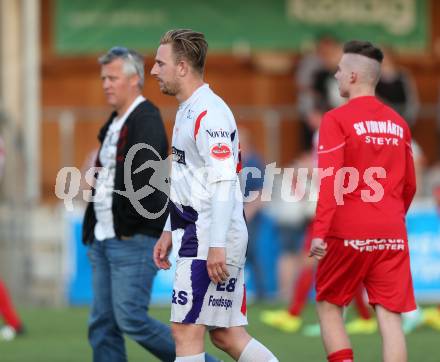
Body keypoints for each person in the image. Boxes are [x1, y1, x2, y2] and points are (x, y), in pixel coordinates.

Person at [82, 46, 218, 362]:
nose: (106, 84)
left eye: (112, 77)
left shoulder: (145, 118)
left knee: (130, 319)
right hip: (104, 238)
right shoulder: (116, 121)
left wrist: (130, 228)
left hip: (131, 238)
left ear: (133, 80)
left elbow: (146, 183)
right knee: (102, 324)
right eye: (104, 77)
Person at [151, 29, 278, 362]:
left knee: (185, 331)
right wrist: (167, 228)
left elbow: (223, 182)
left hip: (207, 236)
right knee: (226, 335)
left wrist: (217, 244)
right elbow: (185, 178)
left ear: (182, 67)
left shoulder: (210, 113)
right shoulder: (187, 110)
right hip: (200, 232)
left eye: (159, 63)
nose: (153, 70)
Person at [309, 41, 417, 362]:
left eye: (340, 70)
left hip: (347, 230)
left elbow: (331, 183)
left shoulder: (335, 119)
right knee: (390, 316)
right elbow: (409, 186)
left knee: (329, 307)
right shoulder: (399, 124)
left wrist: (319, 231)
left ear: (354, 76)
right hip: (391, 230)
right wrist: (391, 218)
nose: (336, 75)